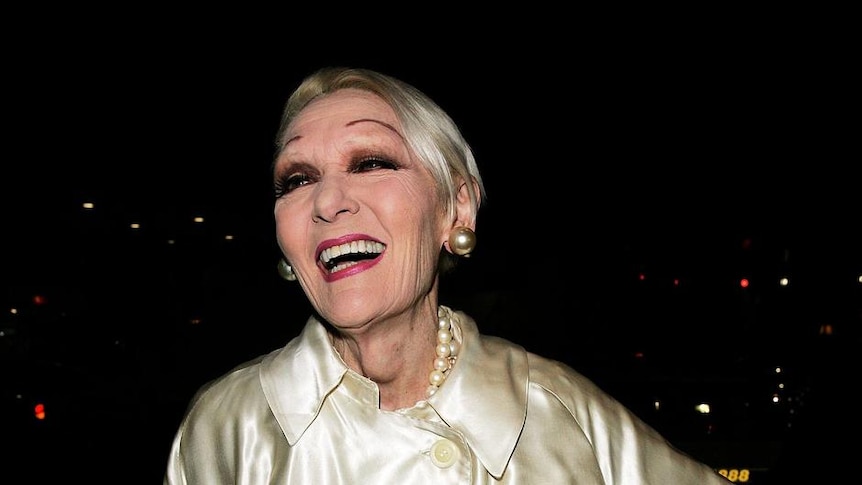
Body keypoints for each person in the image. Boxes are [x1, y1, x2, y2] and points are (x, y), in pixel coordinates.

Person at [163, 66, 731, 484]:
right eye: (296, 179)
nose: (327, 201)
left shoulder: (562, 411)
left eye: (371, 163)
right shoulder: (225, 428)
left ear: (456, 208)